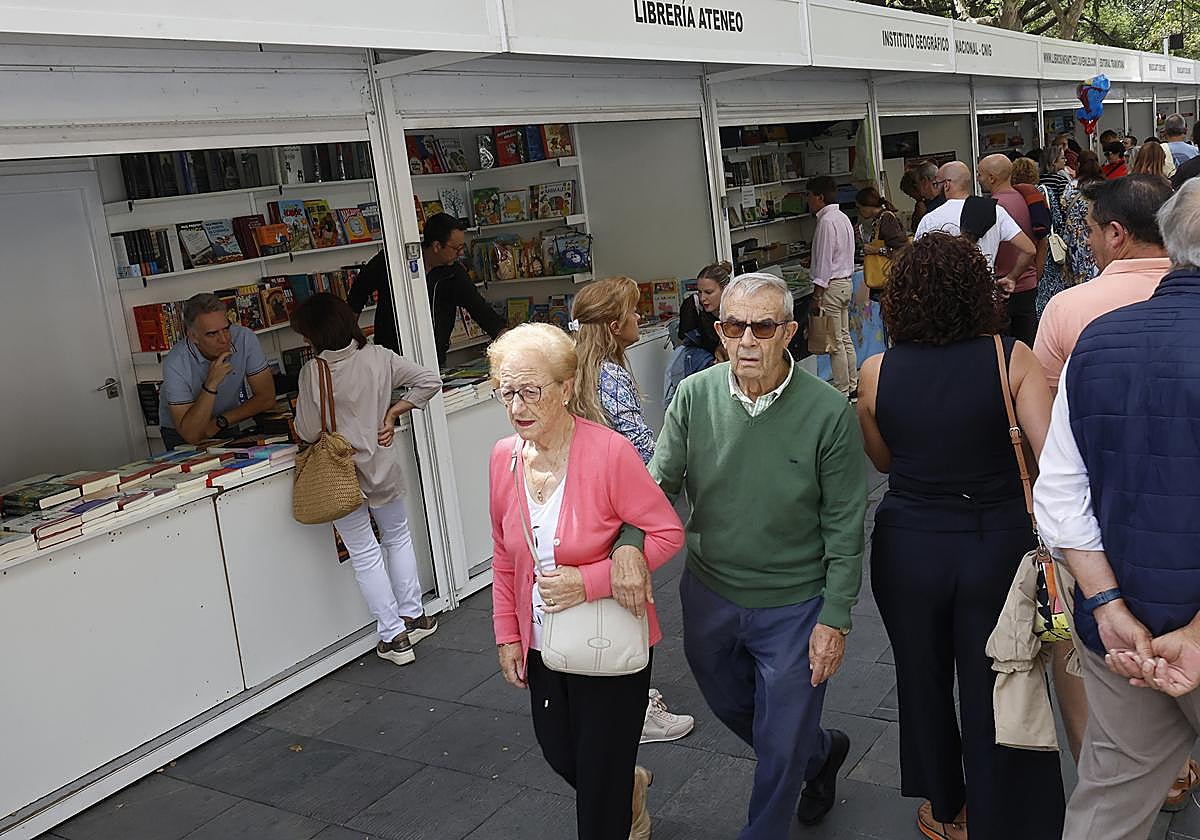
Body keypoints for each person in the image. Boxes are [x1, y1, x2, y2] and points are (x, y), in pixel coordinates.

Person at [619, 272, 867, 838]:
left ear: (789, 332)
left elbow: (846, 523)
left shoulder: (827, 411)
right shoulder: (693, 395)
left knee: (777, 740)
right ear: (720, 331)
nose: (747, 340)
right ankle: (821, 752)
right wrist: (629, 545)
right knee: (735, 707)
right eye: (734, 326)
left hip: (796, 602)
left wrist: (835, 616)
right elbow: (659, 484)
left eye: (763, 326)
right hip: (711, 591)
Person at [856, 232, 1064, 840]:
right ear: (978, 291)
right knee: (998, 677)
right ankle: (1003, 812)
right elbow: (1049, 459)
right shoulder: (1011, 357)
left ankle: (946, 807)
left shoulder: (877, 372)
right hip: (994, 539)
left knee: (920, 676)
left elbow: (885, 462)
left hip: (908, 541)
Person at [1034, 179, 1200, 840]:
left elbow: (1059, 496)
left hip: (1121, 630)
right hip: (1172, 630)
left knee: (1111, 797)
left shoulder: (1097, 340)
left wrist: (1108, 607)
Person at [488, 323, 685, 840]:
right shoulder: (503, 458)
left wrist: (592, 579)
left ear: (566, 388)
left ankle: (617, 800)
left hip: (607, 635)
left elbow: (665, 531)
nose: (518, 405)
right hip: (542, 640)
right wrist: (507, 632)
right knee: (561, 755)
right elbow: (503, 555)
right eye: (507, 391)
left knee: (597, 789)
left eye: (531, 390)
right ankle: (629, 787)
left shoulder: (608, 452)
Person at [571, 276, 697, 746]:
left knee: (606, 601)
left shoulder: (580, 370)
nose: (638, 318)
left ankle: (614, 701)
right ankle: (638, 708)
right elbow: (640, 446)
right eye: (631, 311)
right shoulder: (611, 375)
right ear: (611, 323)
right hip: (619, 504)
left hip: (589, 503)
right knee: (630, 601)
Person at [291, 293, 443, 665]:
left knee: (364, 553)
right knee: (398, 537)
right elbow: (429, 380)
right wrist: (393, 413)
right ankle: (414, 615)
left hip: (341, 474)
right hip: (382, 464)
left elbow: (309, 430)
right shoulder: (379, 357)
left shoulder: (314, 372)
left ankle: (394, 637)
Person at [348, 213, 505, 364]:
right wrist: (350, 341)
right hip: (391, 358)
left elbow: (479, 308)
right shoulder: (390, 261)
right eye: (457, 248)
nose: (461, 253)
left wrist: (505, 337)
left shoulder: (454, 273)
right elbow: (357, 294)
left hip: (435, 357)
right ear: (437, 246)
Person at [158, 292, 277, 449]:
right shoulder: (175, 362)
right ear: (193, 336)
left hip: (225, 421)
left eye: (226, 328)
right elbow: (192, 434)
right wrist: (211, 384)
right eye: (212, 334)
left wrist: (221, 421)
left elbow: (267, 398)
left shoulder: (244, 338)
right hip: (182, 431)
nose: (224, 339)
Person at [915, 161, 1036, 292]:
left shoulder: (930, 219)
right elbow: (1029, 250)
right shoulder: (994, 210)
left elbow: (917, 262)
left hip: (945, 296)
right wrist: (1011, 278)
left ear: (946, 185)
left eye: (937, 184)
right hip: (985, 294)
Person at [979, 154, 1046, 345]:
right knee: (1027, 344)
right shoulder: (1027, 200)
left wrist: (1011, 276)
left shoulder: (992, 208)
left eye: (980, 174)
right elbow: (1042, 240)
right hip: (1028, 284)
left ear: (992, 178)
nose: (978, 179)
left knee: (1004, 349)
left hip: (1002, 286)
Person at [808, 175, 859, 398]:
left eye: (809, 196)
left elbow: (826, 262)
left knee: (836, 343)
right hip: (845, 283)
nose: (808, 201)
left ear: (819, 197)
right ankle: (853, 384)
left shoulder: (826, 222)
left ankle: (842, 390)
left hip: (831, 286)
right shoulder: (842, 217)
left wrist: (817, 294)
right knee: (845, 337)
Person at [1037, 146, 1072, 315]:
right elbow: (1062, 210)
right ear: (1053, 161)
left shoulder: (1038, 181)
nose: (1065, 161)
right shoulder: (1060, 181)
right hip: (1053, 235)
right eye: (1062, 158)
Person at [1062, 151, 1105, 286]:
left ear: (1079, 165)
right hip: (1098, 234)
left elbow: (1063, 206)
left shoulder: (1072, 186)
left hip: (1074, 238)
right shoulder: (1104, 186)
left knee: (1078, 276)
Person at [676, 260, 731, 362]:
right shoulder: (693, 306)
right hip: (702, 367)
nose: (703, 298)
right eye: (700, 292)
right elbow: (684, 345)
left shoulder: (736, 310)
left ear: (725, 289)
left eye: (708, 292)